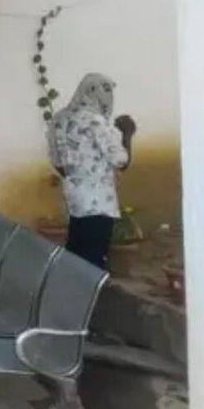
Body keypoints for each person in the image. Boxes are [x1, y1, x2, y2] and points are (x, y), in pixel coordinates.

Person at [48, 72, 135, 270]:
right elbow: (121, 161)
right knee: (95, 258)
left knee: (76, 252)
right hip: (98, 202)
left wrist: (77, 176)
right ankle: (92, 291)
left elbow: (57, 161)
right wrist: (127, 134)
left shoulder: (60, 119)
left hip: (75, 199)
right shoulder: (95, 121)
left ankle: (70, 288)